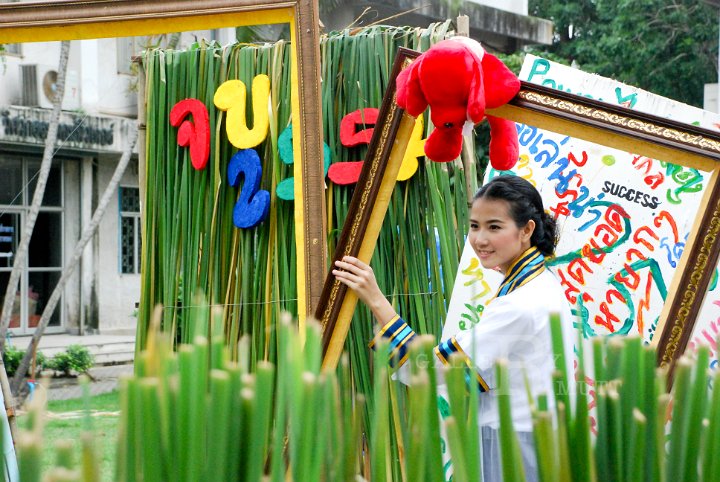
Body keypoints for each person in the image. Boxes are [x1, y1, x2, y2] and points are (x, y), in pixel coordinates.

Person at [332, 175, 575, 482]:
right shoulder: (542, 283)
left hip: (514, 445)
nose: (480, 239)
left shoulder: (520, 304)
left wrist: (377, 300)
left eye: (494, 227)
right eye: (475, 226)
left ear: (526, 230)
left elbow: (438, 370)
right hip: (534, 438)